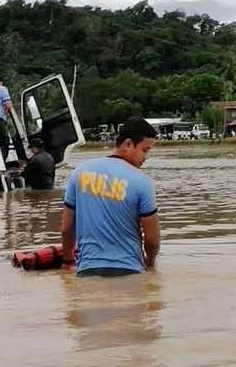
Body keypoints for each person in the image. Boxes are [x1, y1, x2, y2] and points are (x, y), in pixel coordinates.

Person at [60, 117, 161, 277]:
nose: (146, 157)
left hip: (87, 270)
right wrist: (150, 264)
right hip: (129, 271)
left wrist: (68, 261)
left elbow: (67, 229)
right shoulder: (142, 182)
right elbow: (152, 240)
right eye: (145, 150)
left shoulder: (79, 173)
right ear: (128, 144)